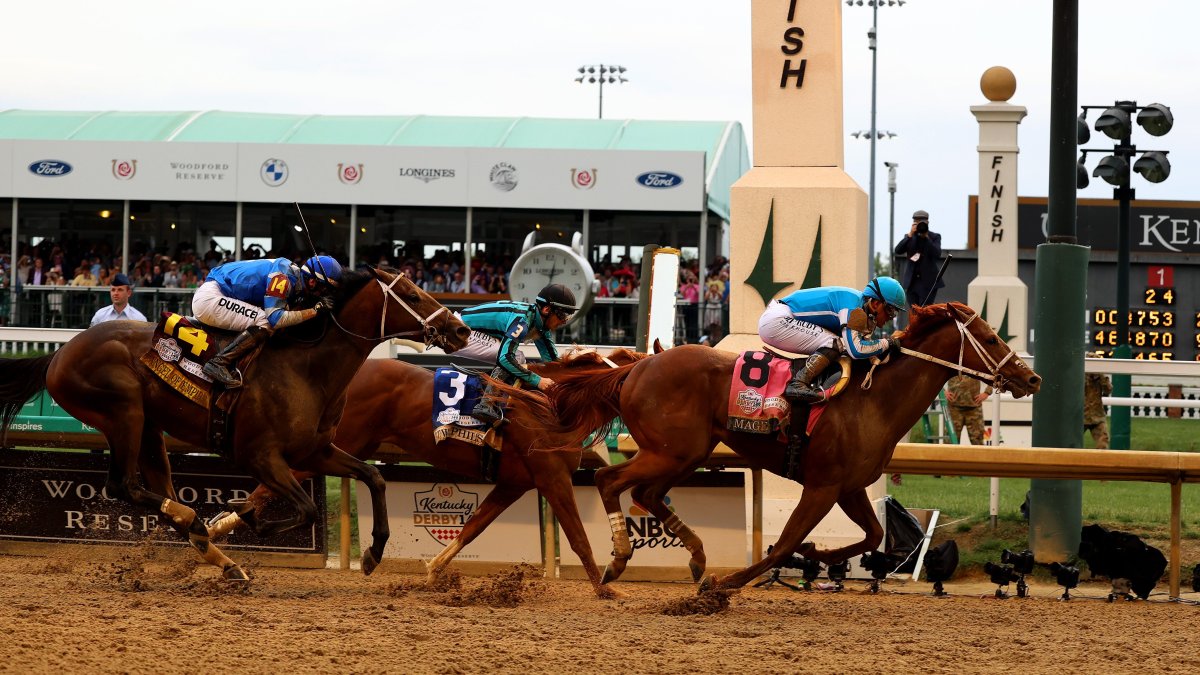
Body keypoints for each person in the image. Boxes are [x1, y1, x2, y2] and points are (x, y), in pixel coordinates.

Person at [191, 255, 342, 388]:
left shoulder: (292, 276)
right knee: (266, 321)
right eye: (324, 289)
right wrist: (314, 311)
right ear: (312, 282)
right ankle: (218, 362)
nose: (323, 294)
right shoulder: (283, 277)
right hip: (210, 298)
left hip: (219, 292)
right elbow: (276, 319)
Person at [758, 276, 906, 405]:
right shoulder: (852, 307)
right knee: (835, 343)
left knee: (838, 344)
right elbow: (856, 350)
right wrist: (888, 342)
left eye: (895, 313)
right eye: (890, 310)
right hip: (777, 320)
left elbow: (867, 349)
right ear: (875, 304)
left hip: (782, 317)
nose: (891, 317)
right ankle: (797, 384)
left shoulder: (862, 310)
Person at [455, 283, 579, 425]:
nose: (564, 321)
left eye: (568, 316)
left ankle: (495, 401)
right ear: (546, 309)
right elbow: (504, 358)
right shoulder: (522, 320)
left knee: (516, 358)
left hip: (469, 329)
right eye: (562, 314)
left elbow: (553, 363)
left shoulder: (540, 325)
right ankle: (486, 404)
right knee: (516, 357)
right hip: (459, 330)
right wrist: (538, 381)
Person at [893, 209, 944, 309]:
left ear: (927, 222)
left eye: (922, 222)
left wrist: (926, 238)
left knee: (925, 310)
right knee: (914, 311)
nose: (920, 225)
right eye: (916, 222)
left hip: (928, 282)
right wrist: (909, 235)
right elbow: (898, 250)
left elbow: (937, 254)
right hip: (912, 282)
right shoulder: (909, 237)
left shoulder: (934, 237)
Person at [945, 373, 992, 445]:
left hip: (974, 408)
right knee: (950, 441)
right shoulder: (952, 365)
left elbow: (992, 376)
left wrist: (987, 392)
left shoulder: (976, 366)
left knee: (977, 441)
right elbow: (937, 375)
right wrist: (943, 391)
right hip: (954, 408)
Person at [1084, 359, 1112, 449]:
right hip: (1081, 416)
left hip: (1097, 416)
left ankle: (1100, 457)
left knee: (1103, 441)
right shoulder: (1081, 376)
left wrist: (1102, 377)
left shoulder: (1100, 379)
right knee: (1071, 443)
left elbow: (1108, 390)